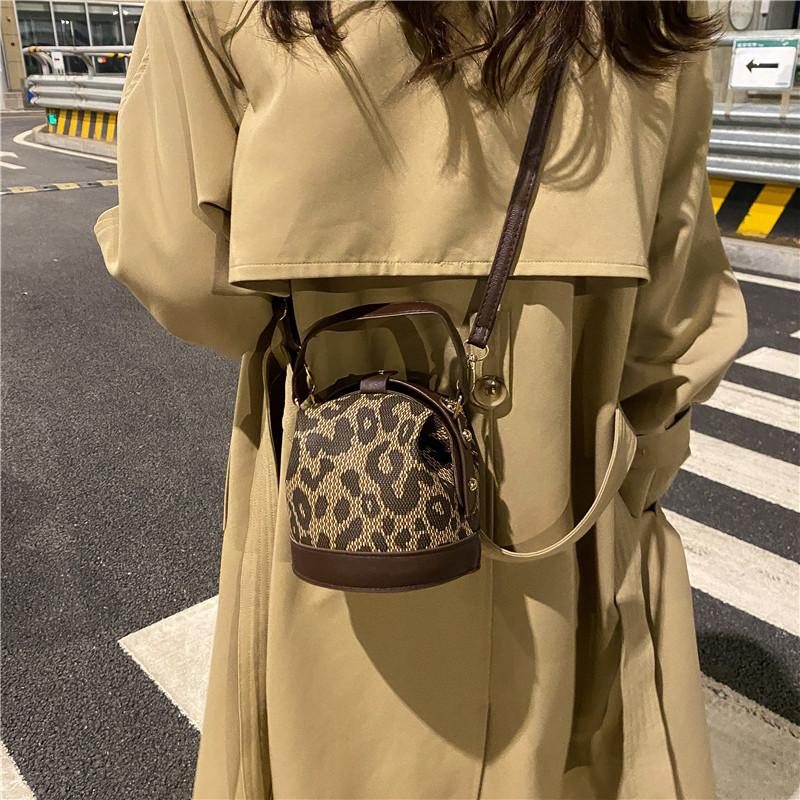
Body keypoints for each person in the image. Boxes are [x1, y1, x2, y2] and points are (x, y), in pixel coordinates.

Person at [94, 1, 748, 797]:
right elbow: (678, 324)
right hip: (567, 497)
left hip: (340, 472)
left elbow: (182, 272)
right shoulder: (653, 11)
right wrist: (633, 475)